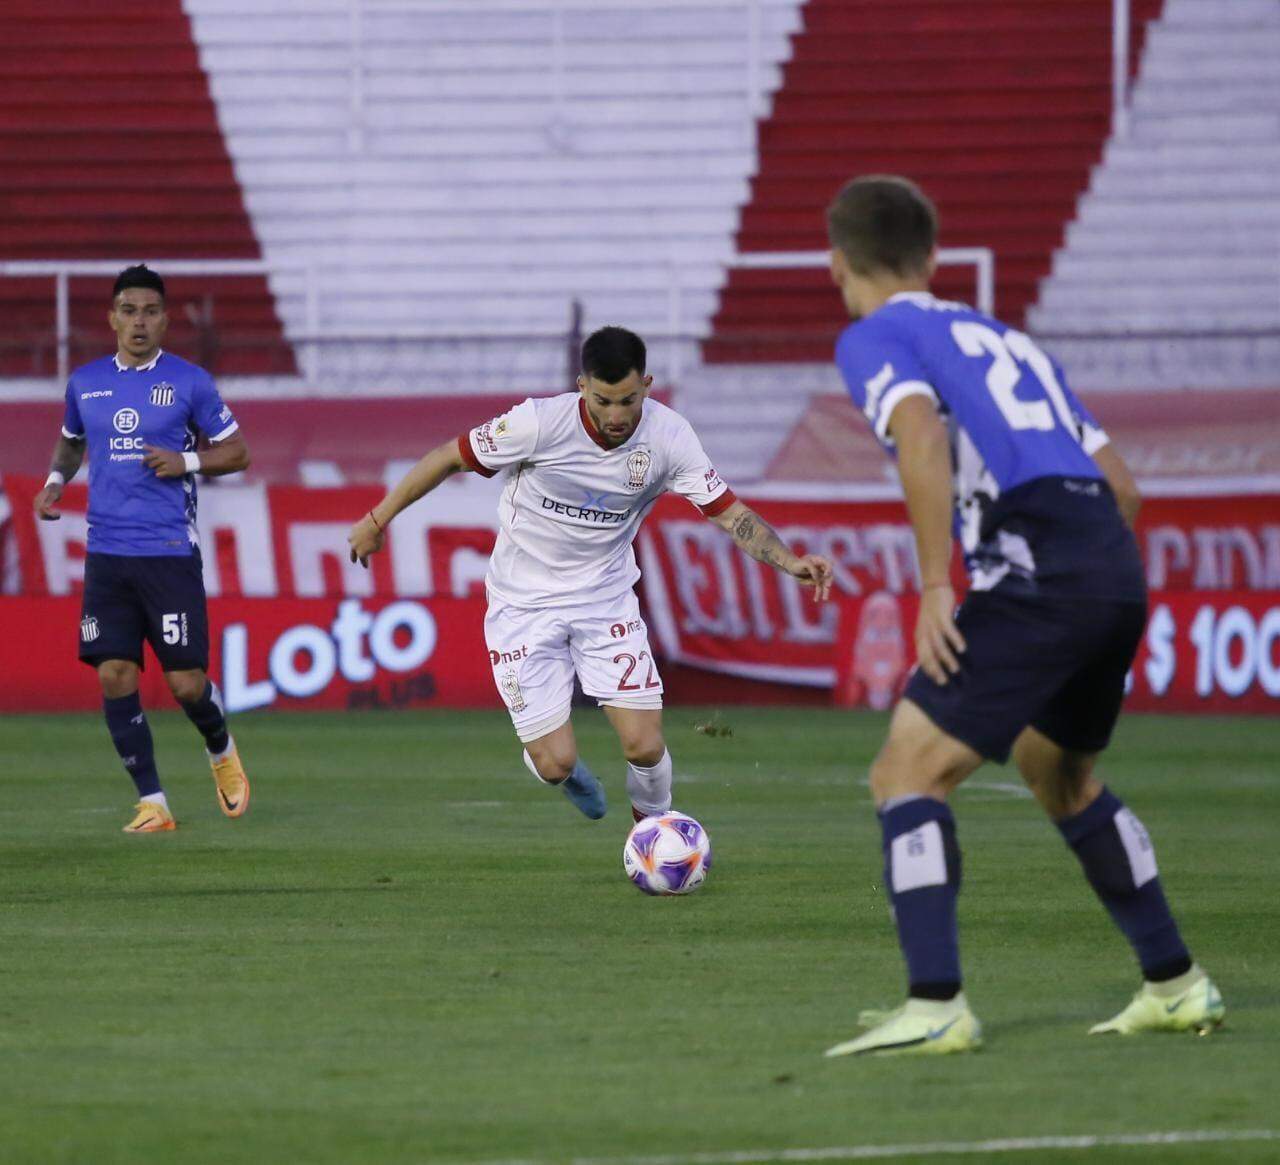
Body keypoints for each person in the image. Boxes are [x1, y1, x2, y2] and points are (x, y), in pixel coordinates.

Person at [820, 176, 1224, 1057]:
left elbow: (920, 438)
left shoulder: (875, 333)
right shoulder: (1008, 338)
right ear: (932, 257)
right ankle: (1177, 982)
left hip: (1037, 564)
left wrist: (938, 585)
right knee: (1059, 772)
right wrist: (1081, 574)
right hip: (1110, 565)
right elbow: (1125, 487)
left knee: (906, 771)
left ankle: (936, 1001)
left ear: (839, 264)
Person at [348, 326, 833, 823]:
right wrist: (376, 519)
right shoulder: (537, 423)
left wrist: (789, 560)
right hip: (522, 603)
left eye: (628, 400)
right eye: (604, 400)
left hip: (604, 599)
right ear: (582, 386)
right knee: (554, 762)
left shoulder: (670, 438)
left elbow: (732, 515)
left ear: (646, 384)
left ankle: (656, 830)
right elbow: (448, 457)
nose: (617, 415)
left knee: (644, 746)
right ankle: (564, 774)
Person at [33, 264, 252, 833]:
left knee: (184, 683)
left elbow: (238, 452)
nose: (139, 321)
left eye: (150, 311)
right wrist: (55, 482)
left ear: (165, 319)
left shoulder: (190, 382)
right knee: (113, 674)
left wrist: (189, 461)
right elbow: (71, 441)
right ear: (111, 318)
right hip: (107, 552)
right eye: (128, 311)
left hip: (169, 549)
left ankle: (220, 747)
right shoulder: (86, 383)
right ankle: (153, 802)